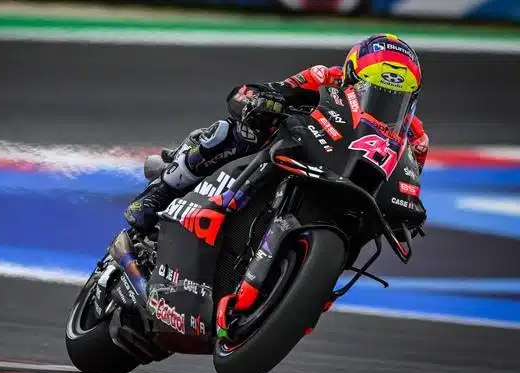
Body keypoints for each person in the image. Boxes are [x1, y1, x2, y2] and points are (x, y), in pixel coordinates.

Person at [125, 33, 429, 233]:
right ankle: (159, 191)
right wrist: (261, 101)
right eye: (372, 93)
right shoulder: (324, 77)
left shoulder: (416, 140)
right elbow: (257, 93)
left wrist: (408, 214)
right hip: (300, 148)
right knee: (237, 131)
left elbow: (403, 186)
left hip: (347, 182)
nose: (383, 107)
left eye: (395, 100)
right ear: (349, 76)